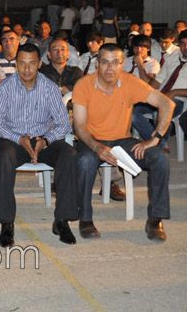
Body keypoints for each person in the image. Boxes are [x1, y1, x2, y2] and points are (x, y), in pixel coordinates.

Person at [73, 43, 174, 241]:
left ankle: (155, 220)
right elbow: (80, 126)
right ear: (97, 64)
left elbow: (167, 103)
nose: (110, 68)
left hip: (122, 141)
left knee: (160, 159)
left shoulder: (130, 82)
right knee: (85, 161)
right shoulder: (83, 85)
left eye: (115, 63)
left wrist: (155, 139)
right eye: (105, 62)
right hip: (91, 140)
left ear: (122, 64)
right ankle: (85, 219)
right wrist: (96, 146)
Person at [0, 43, 79, 247]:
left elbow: (63, 123)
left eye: (32, 63)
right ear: (16, 64)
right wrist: (18, 138)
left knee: (69, 154)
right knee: (3, 157)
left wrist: (46, 140)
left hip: (43, 139)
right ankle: (7, 222)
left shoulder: (49, 87)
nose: (27, 69)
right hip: (14, 139)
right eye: (22, 63)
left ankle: (62, 220)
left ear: (39, 64)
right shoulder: (5, 87)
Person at [131, 30, 187, 151]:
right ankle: (160, 144)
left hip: (178, 100)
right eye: (183, 43)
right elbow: (157, 81)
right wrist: (146, 93)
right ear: (178, 44)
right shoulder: (172, 58)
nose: (185, 47)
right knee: (131, 112)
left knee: (161, 112)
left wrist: (175, 92)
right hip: (160, 96)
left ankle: (155, 143)